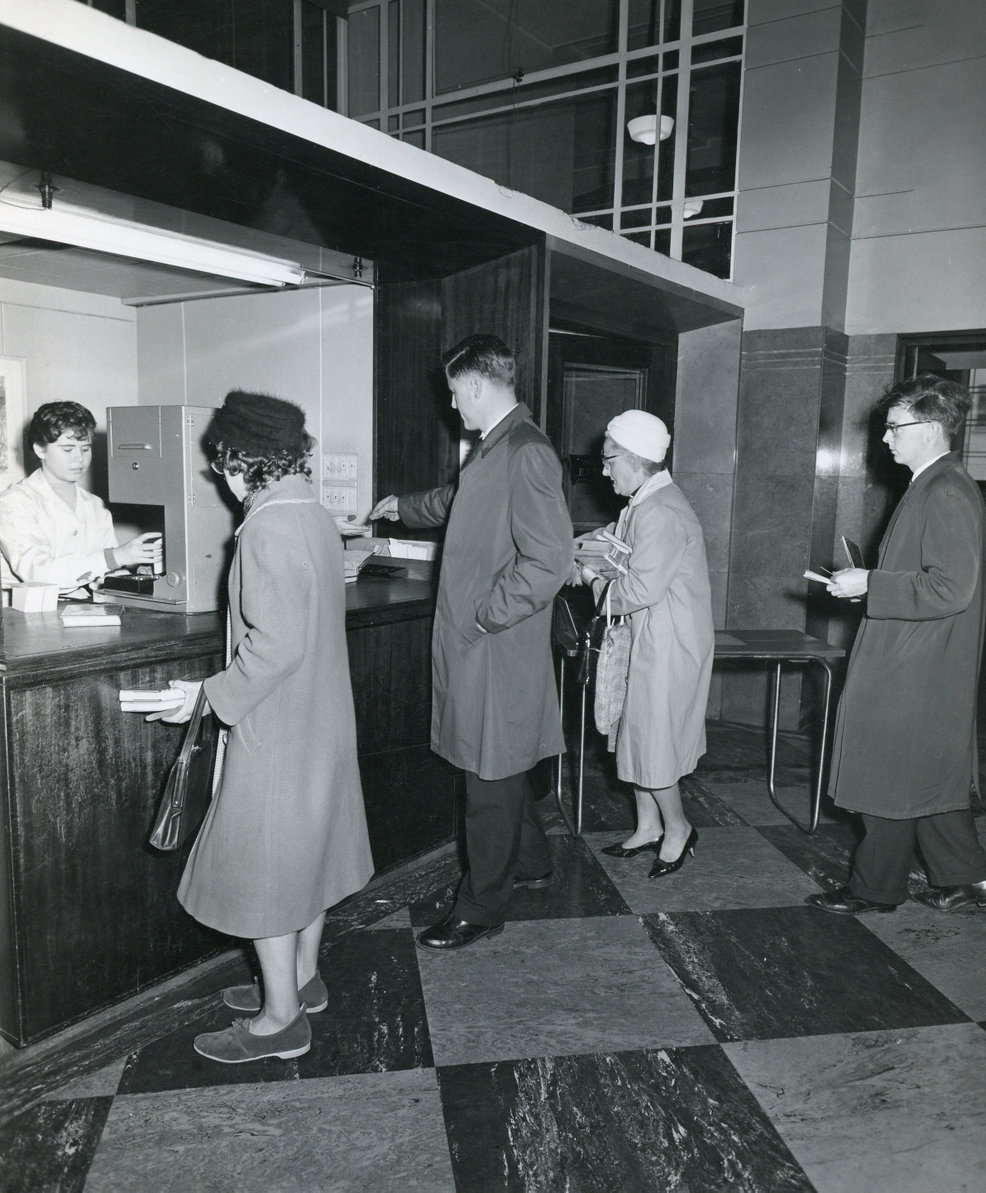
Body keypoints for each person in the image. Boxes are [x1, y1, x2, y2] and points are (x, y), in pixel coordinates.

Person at [145, 390, 374, 1062]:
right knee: (306, 853)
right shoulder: (311, 512)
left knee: (265, 868)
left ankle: (280, 1022)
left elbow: (271, 645)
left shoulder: (269, 526)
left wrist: (206, 697)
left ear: (245, 457)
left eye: (222, 461)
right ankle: (303, 980)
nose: (221, 474)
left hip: (277, 727)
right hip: (320, 717)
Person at [370, 333, 573, 951]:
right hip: (483, 642)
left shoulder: (526, 452)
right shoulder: (497, 447)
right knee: (499, 763)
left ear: (479, 385)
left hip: (495, 644)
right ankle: (534, 864)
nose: (453, 404)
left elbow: (548, 562)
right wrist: (397, 507)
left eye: (456, 392)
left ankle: (482, 907)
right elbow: (457, 502)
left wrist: (485, 616)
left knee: (486, 777)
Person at [808, 375, 986, 916]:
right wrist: (868, 580)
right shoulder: (934, 483)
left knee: (888, 778)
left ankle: (874, 890)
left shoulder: (943, 489)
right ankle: (969, 879)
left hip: (914, 664)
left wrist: (870, 584)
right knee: (924, 775)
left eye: (895, 427)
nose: (884, 438)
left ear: (933, 428)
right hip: (918, 655)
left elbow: (949, 587)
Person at [572, 411, 714, 878]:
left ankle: (679, 829)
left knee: (653, 741)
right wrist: (585, 547)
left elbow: (637, 591)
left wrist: (591, 576)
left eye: (609, 460)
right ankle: (648, 825)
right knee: (631, 733)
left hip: (668, 644)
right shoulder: (642, 503)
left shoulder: (662, 511)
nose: (605, 469)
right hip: (648, 638)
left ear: (634, 460)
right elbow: (618, 547)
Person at [0, 401, 161, 595]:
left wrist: (132, 574)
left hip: (82, 610)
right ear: (40, 449)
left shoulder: (94, 505)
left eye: (85, 449)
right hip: (26, 613)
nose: (79, 458)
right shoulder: (14, 502)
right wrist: (116, 557)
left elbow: (102, 572)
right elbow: (40, 575)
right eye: (67, 449)